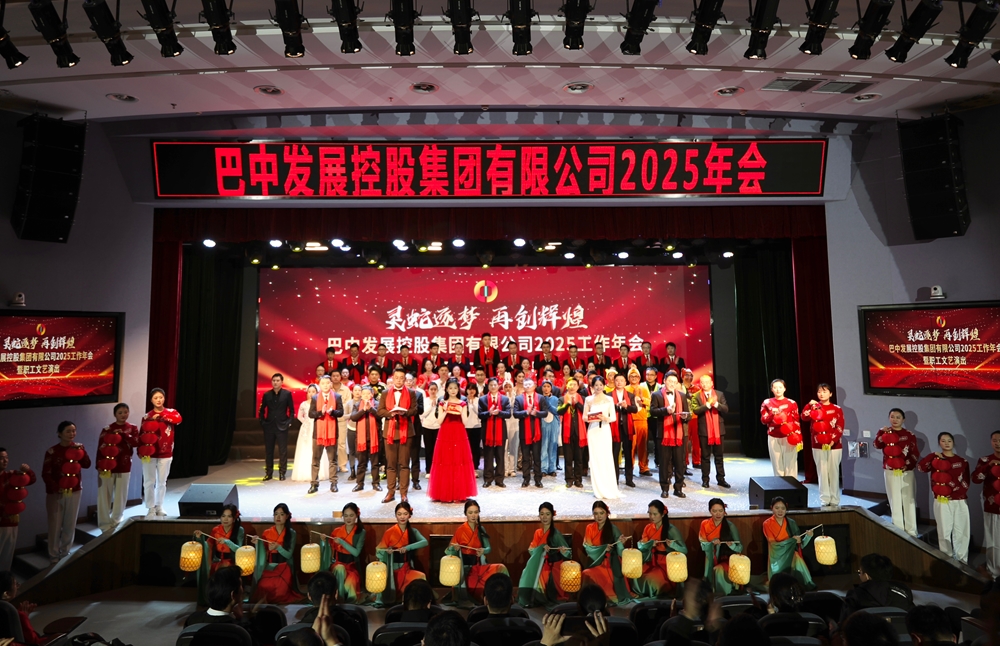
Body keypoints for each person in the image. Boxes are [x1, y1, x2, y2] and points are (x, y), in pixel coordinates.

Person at [42, 421, 91, 563]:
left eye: (73, 431)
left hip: (74, 490)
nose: (72, 434)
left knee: (70, 523)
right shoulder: (52, 451)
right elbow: (46, 473)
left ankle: (65, 552)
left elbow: (87, 464)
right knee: (55, 524)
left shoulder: (78, 448)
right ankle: (53, 555)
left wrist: (82, 451)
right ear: (60, 433)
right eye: (68, 431)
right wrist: (56, 487)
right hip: (56, 493)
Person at [917, 432, 970, 562]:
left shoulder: (962, 461)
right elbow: (921, 468)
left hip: (959, 500)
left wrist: (954, 492)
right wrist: (932, 455)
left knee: (962, 531)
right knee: (944, 531)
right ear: (939, 443)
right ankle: (947, 560)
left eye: (949, 441)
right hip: (941, 501)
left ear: (953, 443)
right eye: (943, 441)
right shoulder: (935, 460)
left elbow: (966, 482)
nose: (946, 443)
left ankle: (962, 561)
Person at [445, 499, 509, 603]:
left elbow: (489, 548)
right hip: (466, 570)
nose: (473, 515)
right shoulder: (460, 530)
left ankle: (507, 596)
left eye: (476, 512)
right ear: (465, 513)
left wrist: (483, 551)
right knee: (480, 593)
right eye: (470, 513)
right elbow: (449, 551)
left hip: (479, 566)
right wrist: (455, 549)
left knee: (501, 568)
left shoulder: (481, 529)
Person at [428, 378, 478, 503]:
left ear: (458, 389)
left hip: (459, 434)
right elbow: (439, 421)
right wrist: (446, 410)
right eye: (450, 388)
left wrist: (461, 411)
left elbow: (465, 422)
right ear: (446, 389)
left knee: (459, 461)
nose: (453, 390)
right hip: (445, 433)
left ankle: (458, 493)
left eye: (455, 388)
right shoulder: (442, 403)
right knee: (445, 461)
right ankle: (444, 492)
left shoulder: (463, 403)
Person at [872, 408, 920, 536]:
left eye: (898, 417)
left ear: (903, 420)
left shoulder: (909, 435)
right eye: (892, 417)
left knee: (908, 499)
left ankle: (911, 530)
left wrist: (907, 465)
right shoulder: (884, 432)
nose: (895, 420)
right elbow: (876, 445)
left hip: (906, 471)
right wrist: (881, 434)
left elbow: (914, 453)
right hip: (890, 471)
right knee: (894, 500)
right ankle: (898, 531)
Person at [94, 403, 139, 535]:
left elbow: (136, 443)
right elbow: (100, 448)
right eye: (120, 413)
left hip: (124, 466)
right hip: (106, 467)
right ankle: (104, 524)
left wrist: (124, 435)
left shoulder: (132, 428)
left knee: (121, 495)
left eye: (125, 412)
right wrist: (99, 465)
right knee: (104, 496)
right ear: (115, 414)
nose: (123, 415)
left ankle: (117, 521)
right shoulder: (107, 429)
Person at [518, 502, 573, 607]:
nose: (544, 517)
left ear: (552, 515)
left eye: (547, 514)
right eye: (542, 514)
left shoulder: (556, 534)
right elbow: (531, 550)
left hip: (553, 566)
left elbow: (569, 553)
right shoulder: (538, 532)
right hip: (539, 563)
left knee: (541, 579)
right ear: (539, 515)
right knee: (526, 572)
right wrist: (541, 549)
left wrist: (563, 551)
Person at [377, 367, 419, 504]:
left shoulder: (411, 393)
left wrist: (404, 412)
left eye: (402, 378)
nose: (399, 380)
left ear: (405, 379)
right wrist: (391, 413)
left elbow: (414, 410)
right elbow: (380, 411)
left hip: (406, 432)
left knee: (404, 464)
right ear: (393, 378)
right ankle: (390, 492)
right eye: (397, 378)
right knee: (391, 465)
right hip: (390, 432)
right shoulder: (385, 393)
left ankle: (403, 493)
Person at [375, 501, 428, 605]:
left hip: (406, 568)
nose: (402, 517)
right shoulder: (389, 532)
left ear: (409, 515)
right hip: (392, 571)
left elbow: (424, 542)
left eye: (405, 514)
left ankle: (419, 604)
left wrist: (408, 547)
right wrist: (388, 551)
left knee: (421, 577)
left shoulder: (413, 531)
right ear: (395, 515)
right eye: (399, 514)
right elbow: (379, 551)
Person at [139, 387, 182, 518]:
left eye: (161, 397)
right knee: (149, 481)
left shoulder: (171, 412)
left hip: (166, 453)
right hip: (149, 454)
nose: (158, 400)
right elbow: (142, 434)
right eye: (155, 398)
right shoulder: (147, 416)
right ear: (151, 400)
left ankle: (159, 506)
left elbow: (178, 420)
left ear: (164, 398)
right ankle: (150, 508)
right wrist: (140, 450)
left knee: (162, 482)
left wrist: (162, 415)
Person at [633, 499, 687, 600]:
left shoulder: (671, 529)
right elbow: (641, 546)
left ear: (662, 514)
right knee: (636, 574)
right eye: (650, 514)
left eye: (655, 514)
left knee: (651, 579)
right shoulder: (648, 528)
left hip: (666, 563)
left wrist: (673, 545)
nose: (652, 517)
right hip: (651, 559)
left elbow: (684, 550)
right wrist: (649, 544)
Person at [194, 504, 245, 607]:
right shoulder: (216, 530)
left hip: (231, 563)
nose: (225, 519)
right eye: (223, 516)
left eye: (229, 516)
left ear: (234, 518)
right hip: (217, 562)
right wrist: (200, 538)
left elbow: (239, 549)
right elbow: (208, 545)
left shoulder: (239, 530)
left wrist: (227, 542)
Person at [581, 500, 632, 605]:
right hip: (595, 561)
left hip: (609, 564)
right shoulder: (589, 528)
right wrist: (602, 549)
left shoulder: (613, 529)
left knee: (588, 574)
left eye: (602, 513)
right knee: (586, 573)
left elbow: (620, 551)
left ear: (607, 513)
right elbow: (589, 548)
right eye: (596, 513)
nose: (599, 516)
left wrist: (621, 543)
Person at [803, 383, 845, 507]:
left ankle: (835, 499)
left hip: (834, 445)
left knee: (833, 472)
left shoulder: (837, 409)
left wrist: (833, 440)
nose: (821, 394)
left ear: (830, 394)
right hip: (818, 444)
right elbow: (804, 417)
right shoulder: (814, 407)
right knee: (822, 472)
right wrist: (809, 405)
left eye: (825, 391)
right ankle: (824, 499)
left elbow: (840, 426)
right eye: (819, 392)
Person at [251, 503, 302, 604]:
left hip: (285, 566)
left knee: (280, 591)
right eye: (276, 514)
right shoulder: (267, 533)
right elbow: (263, 553)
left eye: (281, 514)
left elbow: (289, 555)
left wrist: (278, 547)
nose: (278, 517)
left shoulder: (291, 533)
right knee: (263, 585)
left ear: (287, 516)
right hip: (270, 566)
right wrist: (257, 543)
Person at [840, 553, 914, 622]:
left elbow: (845, 623)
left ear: (866, 576)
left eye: (860, 572)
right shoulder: (904, 592)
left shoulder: (855, 595)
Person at [651, 371, 690, 499]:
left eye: (674, 382)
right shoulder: (656, 395)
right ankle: (665, 488)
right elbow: (652, 411)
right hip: (663, 434)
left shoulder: (682, 395)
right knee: (664, 463)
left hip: (679, 434)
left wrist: (685, 417)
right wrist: (665, 410)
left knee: (679, 463)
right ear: (664, 381)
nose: (672, 384)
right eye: (669, 381)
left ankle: (678, 488)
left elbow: (688, 414)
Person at [763, 497, 815, 589]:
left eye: (783, 508)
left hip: (792, 556)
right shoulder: (767, 524)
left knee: (797, 559)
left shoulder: (791, 523)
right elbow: (774, 544)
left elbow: (801, 545)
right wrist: (790, 541)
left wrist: (808, 536)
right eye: (777, 508)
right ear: (772, 508)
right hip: (777, 557)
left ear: (786, 509)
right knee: (778, 586)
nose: (780, 511)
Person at [320, 502, 365, 602]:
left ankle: (348, 603)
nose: (348, 518)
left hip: (351, 567)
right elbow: (329, 548)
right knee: (340, 568)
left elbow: (356, 553)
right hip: (337, 564)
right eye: (346, 515)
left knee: (350, 585)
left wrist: (342, 542)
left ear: (356, 516)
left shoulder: (361, 532)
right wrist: (324, 541)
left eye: (351, 515)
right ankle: (339, 599)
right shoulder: (337, 531)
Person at [584, 376, 619, 500]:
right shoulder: (588, 399)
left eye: (600, 385)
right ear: (592, 386)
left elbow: (613, 417)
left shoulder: (609, 399)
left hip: (604, 430)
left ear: (604, 386)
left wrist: (605, 418)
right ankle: (597, 489)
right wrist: (591, 417)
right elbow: (584, 417)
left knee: (606, 458)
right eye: (596, 385)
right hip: (593, 431)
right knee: (595, 459)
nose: (598, 387)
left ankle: (609, 487)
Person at [698, 498, 743, 595]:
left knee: (718, 571)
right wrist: (712, 543)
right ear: (710, 511)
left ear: (724, 511)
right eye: (714, 511)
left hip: (727, 558)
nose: (718, 514)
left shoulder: (730, 526)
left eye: (720, 511)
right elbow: (703, 544)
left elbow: (740, 547)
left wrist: (732, 546)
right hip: (710, 558)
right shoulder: (704, 524)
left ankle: (723, 595)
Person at [692, 375, 730, 489]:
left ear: (711, 383)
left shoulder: (719, 394)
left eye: (707, 382)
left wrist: (716, 404)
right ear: (700, 384)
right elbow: (695, 410)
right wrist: (707, 405)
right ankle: (705, 480)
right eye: (702, 382)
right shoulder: (696, 395)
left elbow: (726, 409)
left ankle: (721, 479)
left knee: (719, 456)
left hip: (718, 430)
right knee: (705, 457)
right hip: (704, 431)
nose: (705, 384)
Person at [971, 430, 1000, 578]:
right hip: (992, 505)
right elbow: (976, 479)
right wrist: (988, 466)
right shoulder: (985, 460)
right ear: (991, 442)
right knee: (993, 539)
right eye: (994, 440)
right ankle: (994, 571)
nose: (998, 443)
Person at [0, 448, 34, 572]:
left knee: (7, 554)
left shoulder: (11, 475)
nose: (5, 461)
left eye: (6, 457)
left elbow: (32, 479)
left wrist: (27, 471)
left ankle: (5, 579)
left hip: (11, 521)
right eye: (1, 458)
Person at [308, 375, 343, 494]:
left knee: (332, 460)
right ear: (320, 385)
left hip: (332, 433)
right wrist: (320, 412)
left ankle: (334, 483)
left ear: (331, 384)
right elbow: (311, 414)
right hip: (318, 433)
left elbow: (341, 412)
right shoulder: (315, 397)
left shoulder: (337, 397)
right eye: (323, 383)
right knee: (315, 460)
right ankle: (314, 484)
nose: (325, 385)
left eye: (327, 383)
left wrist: (332, 412)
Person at [761, 379, 801, 478]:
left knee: (790, 464)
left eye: (780, 387)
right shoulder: (767, 402)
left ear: (784, 389)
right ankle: (779, 485)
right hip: (773, 436)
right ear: (772, 389)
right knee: (777, 465)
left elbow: (796, 421)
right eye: (775, 387)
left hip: (789, 436)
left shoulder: (792, 403)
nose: (778, 390)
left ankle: (791, 485)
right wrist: (772, 414)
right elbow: (763, 420)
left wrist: (798, 437)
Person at [260, 373, 296, 482]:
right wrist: (263, 422)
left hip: (282, 425)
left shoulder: (287, 394)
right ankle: (269, 473)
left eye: (277, 380)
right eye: (273, 380)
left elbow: (292, 410)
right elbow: (262, 410)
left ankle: (282, 472)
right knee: (269, 451)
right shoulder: (267, 395)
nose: (275, 382)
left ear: (281, 382)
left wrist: (289, 422)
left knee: (283, 451)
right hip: (269, 426)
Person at [514, 379, 549, 489]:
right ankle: (526, 479)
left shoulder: (540, 398)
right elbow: (515, 413)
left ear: (534, 386)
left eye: (530, 384)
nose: (528, 386)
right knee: (525, 457)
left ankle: (538, 479)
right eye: (526, 384)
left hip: (537, 433)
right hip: (524, 432)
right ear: (523, 386)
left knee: (537, 457)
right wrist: (526, 412)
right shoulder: (519, 398)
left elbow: (545, 413)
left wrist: (536, 413)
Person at [479, 378, 511, 488]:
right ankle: (488, 479)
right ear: (488, 387)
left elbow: (508, 414)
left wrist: (499, 412)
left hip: (500, 433)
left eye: (495, 385)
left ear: (498, 386)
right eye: (491, 385)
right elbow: (480, 415)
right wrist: (489, 412)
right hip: (487, 432)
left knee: (500, 456)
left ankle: (499, 480)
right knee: (488, 457)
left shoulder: (504, 399)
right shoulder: (482, 399)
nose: (493, 387)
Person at [350, 386, 382, 492]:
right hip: (361, 440)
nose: (366, 396)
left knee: (375, 463)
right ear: (361, 395)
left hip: (375, 439)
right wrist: (363, 410)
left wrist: (371, 409)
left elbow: (380, 415)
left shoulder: (377, 404)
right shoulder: (357, 405)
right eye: (364, 394)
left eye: (368, 394)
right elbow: (353, 417)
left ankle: (376, 483)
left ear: (372, 394)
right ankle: (360, 484)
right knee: (361, 463)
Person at [610, 373, 639, 488]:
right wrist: (616, 406)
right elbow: (606, 410)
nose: (619, 382)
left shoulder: (630, 395)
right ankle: (614, 479)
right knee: (614, 453)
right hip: (614, 428)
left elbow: (635, 409)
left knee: (628, 454)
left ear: (625, 382)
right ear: (614, 382)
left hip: (627, 428)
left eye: (621, 380)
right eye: (617, 380)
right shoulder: (608, 395)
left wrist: (626, 406)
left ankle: (629, 479)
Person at [0, 570, 44, 645]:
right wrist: (23, 618)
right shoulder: (12, 613)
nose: (18, 586)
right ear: (7, 593)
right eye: (15, 584)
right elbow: (35, 642)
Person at [293, 385, 326, 482]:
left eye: (313, 391)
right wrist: (306, 423)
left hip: (317, 426)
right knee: (305, 448)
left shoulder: (319, 403)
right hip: (306, 429)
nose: (311, 394)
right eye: (309, 392)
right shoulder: (303, 404)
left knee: (317, 449)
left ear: (317, 393)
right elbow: (299, 416)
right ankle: (305, 472)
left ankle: (318, 473)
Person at [558, 378, 586, 489]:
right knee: (568, 458)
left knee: (579, 458)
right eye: (570, 384)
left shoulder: (583, 398)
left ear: (578, 387)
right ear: (567, 386)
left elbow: (586, 411)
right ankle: (569, 479)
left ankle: (578, 479)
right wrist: (567, 404)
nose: (572, 386)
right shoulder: (562, 398)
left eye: (575, 384)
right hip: (567, 432)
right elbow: (559, 411)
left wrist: (577, 403)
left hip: (579, 431)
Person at [627, 367, 652, 477]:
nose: (634, 378)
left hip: (642, 419)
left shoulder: (644, 389)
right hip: (630, 420)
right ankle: (630, 467)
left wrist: (642, 399)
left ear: (639, 378)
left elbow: (650, 402)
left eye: (636, 376)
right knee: (630, 446)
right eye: (631, 376)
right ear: (628, 378)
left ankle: (644, 467)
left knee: (643, 445)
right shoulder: (626, 389)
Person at [329, 371, 352, 476]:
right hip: (330, 419)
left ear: (340, 377)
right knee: (331, 443)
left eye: (337, 376)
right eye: (333, 376)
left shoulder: (346, 389)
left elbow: (348, 404)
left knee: (341, 444)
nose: (335, 378)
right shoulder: (328, 389)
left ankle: (342, 464)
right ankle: (332, 464)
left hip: (341, 419)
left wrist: (335, 405)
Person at [407, 374, 426, 491]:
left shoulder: (418, 394)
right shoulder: (399, 394)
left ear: (414, 381)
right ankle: (401, 481)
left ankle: (415, 481)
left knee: (415, 457)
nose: (409, 382)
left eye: (410, 380)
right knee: (402, 459)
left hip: (415, 428)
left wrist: (412, 402)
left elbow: (421, 410)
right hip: (402, 428)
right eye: (406, 380)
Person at [420, 382, 443, 476]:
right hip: (427, 427)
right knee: (428, 450)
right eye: (431, 389)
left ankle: (438, 469)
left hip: (438, 427)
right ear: (428, 390)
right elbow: (422, 414)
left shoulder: (441, 400)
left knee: (438, 450)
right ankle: (429, 470)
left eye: (435, 389)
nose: (433, 391)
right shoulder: (425, 400)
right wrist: (431, 406)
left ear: (437, 390)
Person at [539, 380, 561, 477]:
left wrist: (548, 403)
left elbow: (557, 411)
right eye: (544, 386)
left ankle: (552, 468)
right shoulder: (539, 398)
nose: (546, 388)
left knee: (553, 445)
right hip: (543, 423)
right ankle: (543, 468)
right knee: (544, 446)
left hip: (553, 423)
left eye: (548, 386)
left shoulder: (555, 399)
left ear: (551, 388)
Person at [463, 383, 483, 473]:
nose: (471, 391)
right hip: (466, 426)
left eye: (473, 389)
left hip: (477, 426)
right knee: (466, 448)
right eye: (469, 389)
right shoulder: (463, 400)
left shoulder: (479, 400)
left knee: (475, 447)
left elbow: (480, 413)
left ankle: (475, 466)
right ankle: (466, 465)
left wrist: (472, 404)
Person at [343, 385, 362, 482]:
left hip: (361, 429)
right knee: (352, 451)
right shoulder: (349, 403)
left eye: (359, 390)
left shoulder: (364, 403)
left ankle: (360, 470)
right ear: (352, 392)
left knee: (360, 451)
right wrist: (353, 415)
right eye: (355, 390)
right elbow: (344, 416)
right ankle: (352, 471)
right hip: (351, 428)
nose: (357, 392)